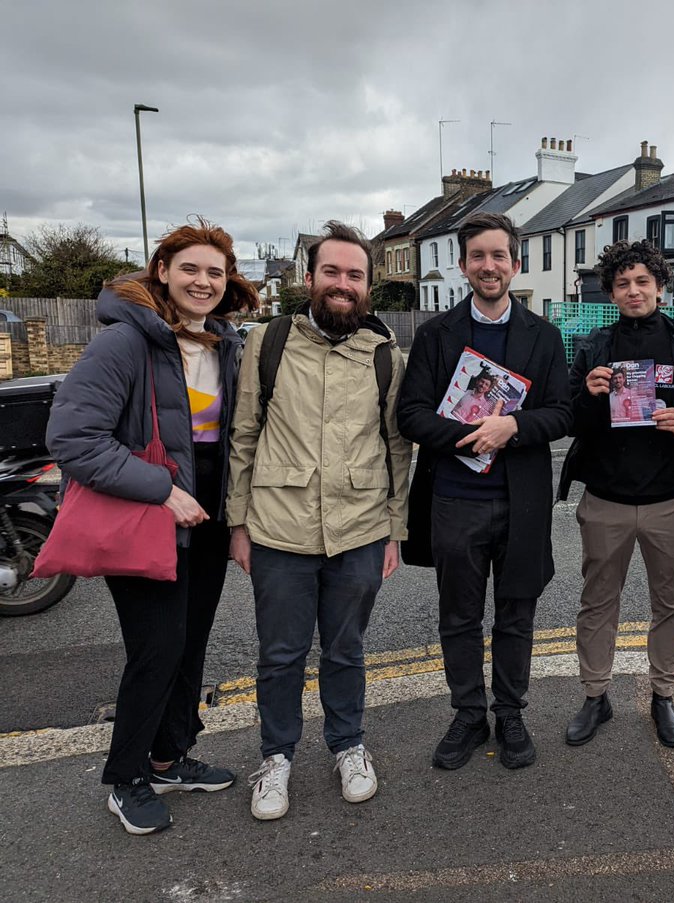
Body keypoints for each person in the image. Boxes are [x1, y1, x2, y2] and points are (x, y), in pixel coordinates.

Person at [46, 219, 257, 835]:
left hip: (209, 521)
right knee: (157, 648)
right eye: (190, 267)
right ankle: (126, 776)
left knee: (190, 643)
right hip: (147, 517)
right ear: (161, 270)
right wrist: (163, 491)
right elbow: (73, 438)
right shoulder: (125, 343)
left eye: (215, 271)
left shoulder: (224, 343)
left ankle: (169, 757)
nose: (203, 280)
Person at [226, 221, 411, 821]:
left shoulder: (386, 357)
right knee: (280, 654)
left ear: (368, 287)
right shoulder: (269, 343)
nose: (342, 283)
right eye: (331, 272)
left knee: (346, 649)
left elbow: (397, 446)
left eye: (354, 275)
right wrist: (237, 523)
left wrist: (395, 530)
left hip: (359, 529)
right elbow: (244, 435)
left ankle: (348, 746)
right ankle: (276, 757)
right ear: (310, 279)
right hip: (279, 526)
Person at [398, 212, 571, 771]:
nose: (489, 266)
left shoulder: (542, 336)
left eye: (499, 256)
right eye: (478, 256)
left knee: (517, 613)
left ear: (515, 264)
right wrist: (473, 436)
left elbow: (562, 413)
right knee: (459, 616)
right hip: (454, 498)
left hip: (521, 500)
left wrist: (513, 427)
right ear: (463, 264)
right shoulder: (436, 334)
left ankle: (510, 712)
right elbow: (412, 416)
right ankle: (469, 714)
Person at [556, 239, 674, 748]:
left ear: (661, 288)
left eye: (642, 281)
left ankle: (663, 695)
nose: (633, 290)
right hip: (606, 498)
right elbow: (568, 420)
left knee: (671, 602)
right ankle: (595, 695)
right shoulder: (593, 347)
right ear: (611, 292)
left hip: (671, 499)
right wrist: (588, 394)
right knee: (597, 602)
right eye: (623, 283)